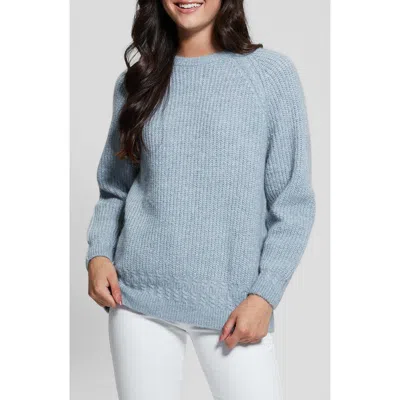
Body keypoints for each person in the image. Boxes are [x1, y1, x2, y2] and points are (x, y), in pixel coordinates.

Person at [86, 0, 316, 399]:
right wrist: (99, 254)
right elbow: (114, 188)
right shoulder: (137, 82)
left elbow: (293, 203)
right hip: (137, 299)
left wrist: (264, 295)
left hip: (234, 308)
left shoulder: (270, 75)